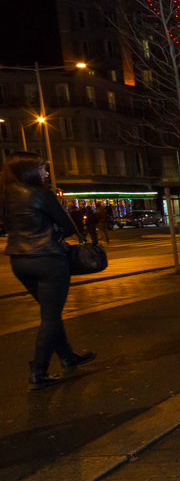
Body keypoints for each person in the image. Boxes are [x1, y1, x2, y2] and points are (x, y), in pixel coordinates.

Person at [1, 152, 96, 389]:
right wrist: (54, 236)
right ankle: (39, 371)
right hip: (48, 259)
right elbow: (68, 226)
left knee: (49, 313)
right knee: (51, 316)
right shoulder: (41, 194)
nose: (45, 172)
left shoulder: (5, 195)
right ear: (29, 170)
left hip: (19, 260)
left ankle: (67, 357)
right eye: (42, 168)